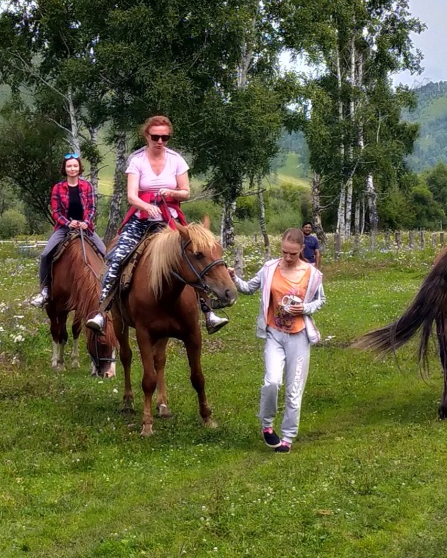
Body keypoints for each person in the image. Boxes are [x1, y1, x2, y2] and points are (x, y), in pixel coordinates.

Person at [87, 115, 228, 333]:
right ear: (147, 136)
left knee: (194, 256)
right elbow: (131, 195)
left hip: (169, 220)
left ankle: (209, 312)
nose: (160, 141)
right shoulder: (137, 160)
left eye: (165, 137)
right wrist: (145, 206)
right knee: (117, 256)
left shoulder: (176, 160)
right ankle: (102, 311)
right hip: (141, 220)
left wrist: (172, 192)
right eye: (156, 136)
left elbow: (186, 191)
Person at [235, 227, 326, 451]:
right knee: (272, 382)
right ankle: (267, 426)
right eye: (284, 251)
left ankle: (287, 437)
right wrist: (232, 277)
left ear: (301, 250)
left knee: (294, 391)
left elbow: (320, 300)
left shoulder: (312, 274)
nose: (287, 257)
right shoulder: (269, 269)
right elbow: (248, 288)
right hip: (274, 334)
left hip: (298, 337)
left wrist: (304, 308)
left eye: (292, 253)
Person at [30, 153, 105, 306]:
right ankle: (44, 291)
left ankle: (107, 290)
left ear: (79, 168)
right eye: (69, 166)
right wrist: (67, 223)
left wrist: (86, 222)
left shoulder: (87, 186)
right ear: (65, 168)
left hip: (85, 228)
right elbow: (56, 212)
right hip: (64, 228)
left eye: (75, 166)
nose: (72, 169)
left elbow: (91, 207)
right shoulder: (58, 188)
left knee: (106, 254)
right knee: (45, 255)